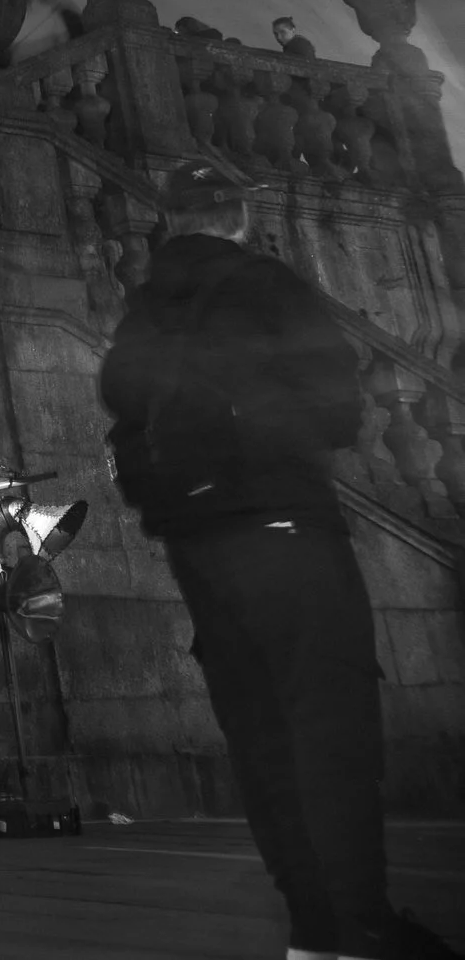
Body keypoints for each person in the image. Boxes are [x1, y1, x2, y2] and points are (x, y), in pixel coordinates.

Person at [100, 163, 457, 960]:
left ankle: (313, 929)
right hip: (284, 521)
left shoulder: (144, 311)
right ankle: (361, 927)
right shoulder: (263, 283)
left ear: (170, 220)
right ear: (238, 214)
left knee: (261, 737)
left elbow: (121, 403)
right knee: (330, 728)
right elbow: (337, 406)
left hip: (197, 542)